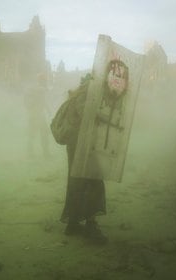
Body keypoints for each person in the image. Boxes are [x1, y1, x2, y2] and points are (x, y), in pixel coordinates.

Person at [59, 74, 108, 245]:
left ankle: (73, 224)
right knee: (93, 183)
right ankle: (90, 225)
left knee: (77, 183)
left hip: (78, 147)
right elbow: (86, 116)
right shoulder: (84, 98)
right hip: (83, 148)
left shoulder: (78, 95)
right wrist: (103, 116)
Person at [24, 73, 51, 158]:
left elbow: (43, 101)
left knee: (36, 134)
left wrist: (48, 109)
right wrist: (48, 109)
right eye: (45, 80)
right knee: (38, 134)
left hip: (36, 115)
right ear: (42, 80)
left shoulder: (36, 88)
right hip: (36, 115)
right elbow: (42, 95)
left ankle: (33, 153)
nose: (46, 82)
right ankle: (41, 153)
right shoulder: (39, 88)